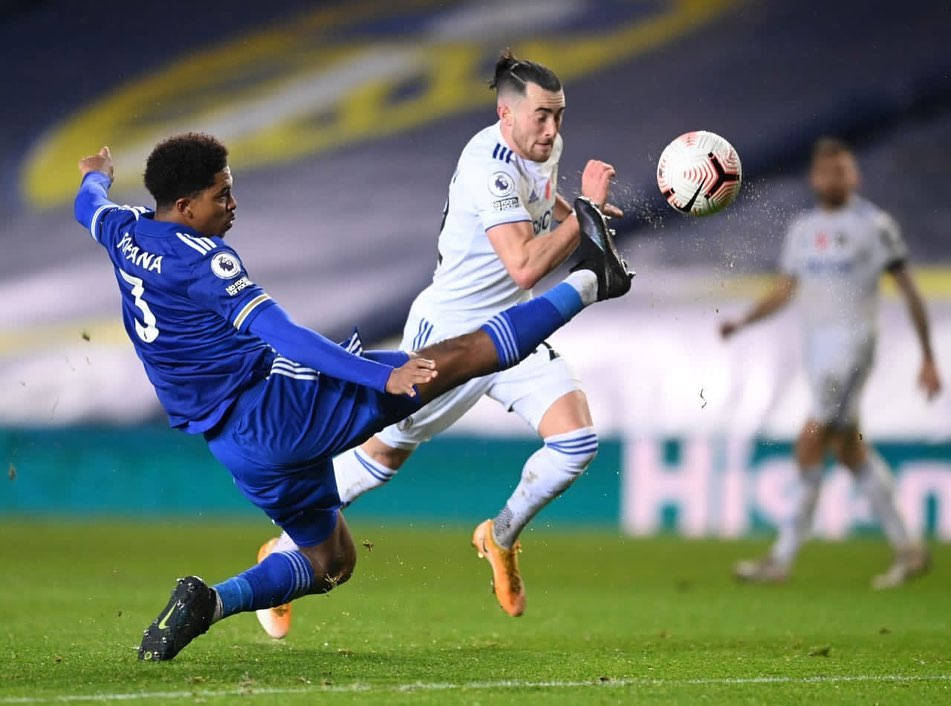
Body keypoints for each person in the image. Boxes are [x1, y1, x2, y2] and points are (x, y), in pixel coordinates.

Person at [74, 132, 631, 661]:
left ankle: (210, 602)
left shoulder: (123, 230)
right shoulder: (206, 261)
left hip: (235, 448)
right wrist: (376, 377)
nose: (233, 204)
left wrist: (96, 176)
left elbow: (88, 205)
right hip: (275, 408)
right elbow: (284, 333)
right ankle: (589, 281)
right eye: (222, 195)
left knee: (330, 560)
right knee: (451, 362)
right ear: (185, 205)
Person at [250, 50, 621, 634]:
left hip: (515, 328)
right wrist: (588, 215)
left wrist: (573, 208)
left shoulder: (542, 147)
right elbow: (524, 265)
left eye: (560, 116)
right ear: (506, 114)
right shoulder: (487, 165)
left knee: (576, 444)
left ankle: (499, 537)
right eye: (542, 117)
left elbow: (539, 199)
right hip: (454, 337)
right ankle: (282, 551)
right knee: (381, 457)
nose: (553, 129)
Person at [720, 137, 941, 589]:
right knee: (848, 447)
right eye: (825, 171)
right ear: (814, 177)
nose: (833, 178)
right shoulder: (803, 228)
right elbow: (785, 290)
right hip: (818, 353)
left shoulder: (874, 225)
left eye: (842, 170)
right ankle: (909, 548)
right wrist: (743, 322)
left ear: (854, 176)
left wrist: (928, 357)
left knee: (811, 439)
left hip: (853, 348)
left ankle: (780, 559)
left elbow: (910, 290)